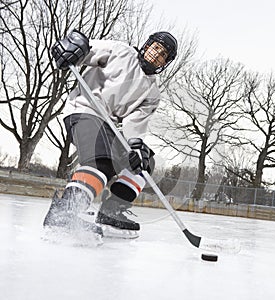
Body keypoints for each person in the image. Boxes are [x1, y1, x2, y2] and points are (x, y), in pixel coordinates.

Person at [43, 29, 178, 237]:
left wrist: (135, 145)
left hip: (110, 127)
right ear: (147, 45)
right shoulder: (120, 51)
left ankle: (111, 212)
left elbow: (135, 123)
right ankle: (64, 212)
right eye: (156, 49)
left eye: (162, 56)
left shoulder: (153, 93)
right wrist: (73, 50)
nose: (156, 56)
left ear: (165, 63)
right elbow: (87, 51)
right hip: (84, 110)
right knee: (102, 161)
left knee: (144, 162)